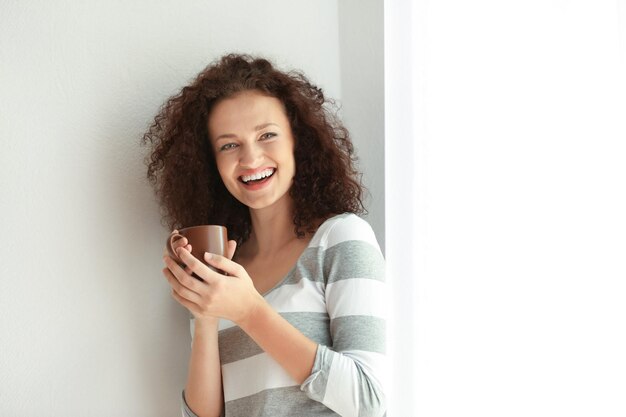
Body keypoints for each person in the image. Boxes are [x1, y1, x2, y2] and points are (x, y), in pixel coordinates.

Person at [143, 54, 386, 417]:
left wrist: (250, 311)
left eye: (267, 135)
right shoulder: (226, 275)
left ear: (296, 142)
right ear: (212, 164)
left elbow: (368, 401)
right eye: (229, 145)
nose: (251, 157)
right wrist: (205, 311)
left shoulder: (340, 238)